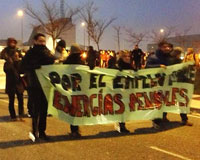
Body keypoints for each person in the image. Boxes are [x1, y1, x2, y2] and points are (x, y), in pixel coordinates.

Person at [21, 33, 55, 141]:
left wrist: (44, 50)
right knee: (35, 110)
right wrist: (34, 66)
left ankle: (42, 132)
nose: (42, 43)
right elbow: (22, 66)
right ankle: (34, 131)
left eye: (43, 41)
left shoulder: (46, 51)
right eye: (40, 41)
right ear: (35, 41)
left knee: (44, 110)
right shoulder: (30, 53)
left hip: (45, 85)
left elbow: (51, 60)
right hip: (34, 85)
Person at [146, 41, 173, 129]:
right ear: (160, 47)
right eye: (165, 47)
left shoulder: (170, 57)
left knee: (166, 101)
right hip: (157, 83)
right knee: (158, 102)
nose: (167, 48)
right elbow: (147, 67)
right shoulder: (153, 57)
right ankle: (156, 121)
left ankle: (163, 117)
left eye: (168, 47)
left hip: (167, 82)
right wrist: (159, 66)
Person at [163, 47, 193, 126]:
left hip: (169, 84)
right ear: (178, 54)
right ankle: (184, 119)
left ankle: (163, 117)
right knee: (182, 101)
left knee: (168, 101)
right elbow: (183, 73)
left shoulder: (168, 61)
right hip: (179, 84)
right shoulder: (179, 62)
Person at [63, 44, 84, 138]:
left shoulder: (67, 61)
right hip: (79, 88)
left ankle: (74, 129)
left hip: (70, 88)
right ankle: (76, 129)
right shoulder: (81, 61)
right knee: (77, 108)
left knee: (72, 109)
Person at [112, 50, 133, 133]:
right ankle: (121, 125)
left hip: (127, 90)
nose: (127, 58)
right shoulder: (116, 66)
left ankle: (121, 124)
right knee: (121, 108)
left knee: (125, 108)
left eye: (128, 56)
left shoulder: (130, 66)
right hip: (118, 91)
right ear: (121, 57)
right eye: (125, 56)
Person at [4, 51, 24, 121]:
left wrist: (20, 62)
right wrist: (10, 62)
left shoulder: (19, 63)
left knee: (21, 100)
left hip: (19, 85)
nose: (17, 57)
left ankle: (21, 115)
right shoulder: (7, 63)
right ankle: (13, 116)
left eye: (18, 55)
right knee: (11, 101)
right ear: (12, 56)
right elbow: (6, 70)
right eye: (15, 56)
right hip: (11, 85)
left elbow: (22, 71)